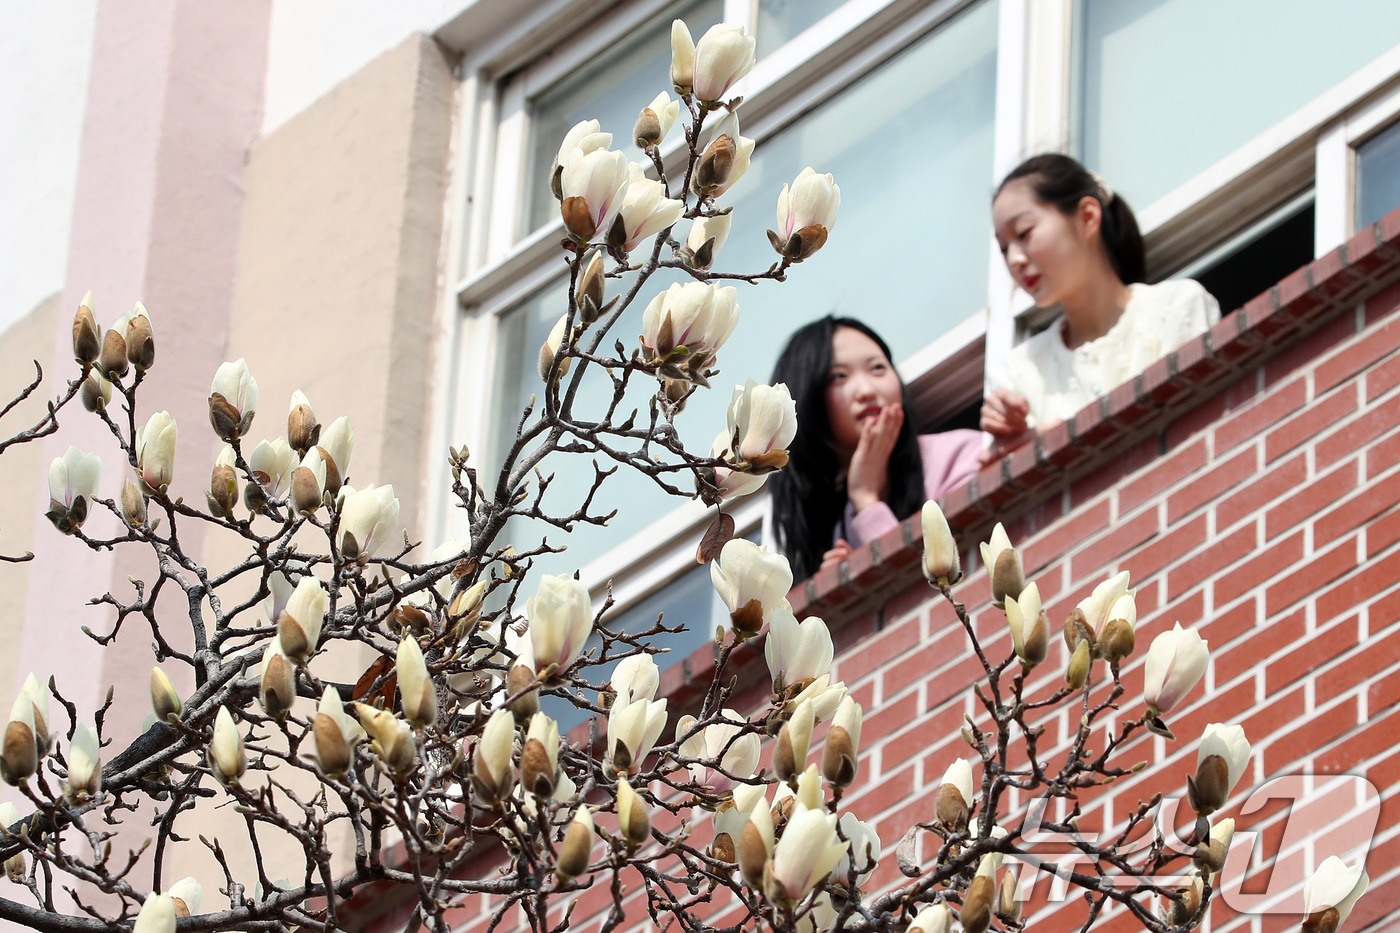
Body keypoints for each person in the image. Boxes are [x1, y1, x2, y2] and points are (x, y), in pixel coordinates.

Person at [983, 154, 1220, 460]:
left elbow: (1202, 436)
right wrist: (1004, 452)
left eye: (1024, 233)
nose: (1014, 259)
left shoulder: (1176, 308)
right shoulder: (1017, 373)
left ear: (1087, 217)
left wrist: (1061, 439)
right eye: (1004, 248)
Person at [769, 316, 981, 580]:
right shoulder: (845, 525)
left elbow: (944, 587)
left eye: (878, 368)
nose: (866, 390)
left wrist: (867, 499)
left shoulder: (960, 453)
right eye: (839, 376)